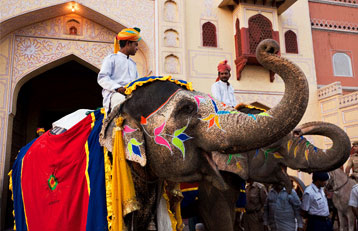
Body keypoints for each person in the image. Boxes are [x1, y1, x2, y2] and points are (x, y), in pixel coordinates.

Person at [97, 27, 141, 113]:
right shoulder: (111, 59)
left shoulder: (133, 64)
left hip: (131, 95)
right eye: (136, 45)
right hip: (114, 94)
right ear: (128, 43)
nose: (137, 48)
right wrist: (118, 88)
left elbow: (136, 82)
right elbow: (102, 78)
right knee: (124, 102)